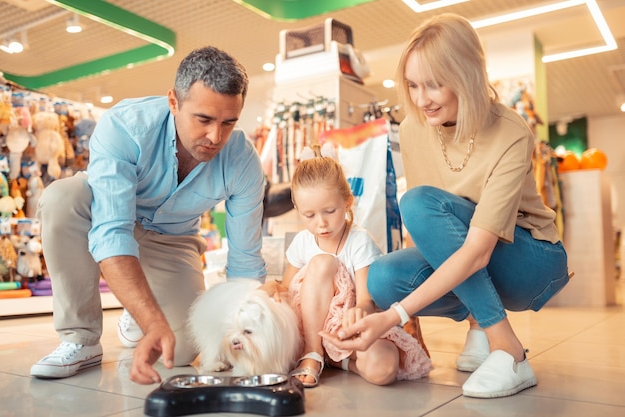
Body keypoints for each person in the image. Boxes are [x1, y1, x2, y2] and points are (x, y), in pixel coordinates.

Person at [321, 13, 570, 399]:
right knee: (383, 277)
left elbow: (476, 249)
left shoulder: (510, 131)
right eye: (413, 85)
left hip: (531, 261)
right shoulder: (414, 128)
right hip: (476, 254)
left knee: (417, 203)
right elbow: (437, 237)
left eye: (434, 85)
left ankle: (508, 349)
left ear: (466, 75)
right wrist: (389, 311)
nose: (421, 99)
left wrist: (395, 315)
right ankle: (478, 324)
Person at [30, 46, 267, 384]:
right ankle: (80, 338)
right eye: (204, 120)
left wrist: (256, 328)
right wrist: (153, 321)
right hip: (102, 214)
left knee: (181, 350)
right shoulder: (125, 125)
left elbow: (244, 263)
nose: (216, 137)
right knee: (61, 198)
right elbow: (113, 231)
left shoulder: (242, 159)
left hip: (173, 238)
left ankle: (135, 311)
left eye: (229, 123)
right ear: (174, 102)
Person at [263, 143, 431, 388]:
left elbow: (365, 300)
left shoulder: (359, 241)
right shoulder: (302, 243)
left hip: (346, 329)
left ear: (347, 202)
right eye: (309, 215)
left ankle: (336, 361)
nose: (321, 223)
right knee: (322, 263)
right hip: (309, 327)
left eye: (330, 211)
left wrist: (358, 311)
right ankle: (313, 351)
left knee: (384, 369)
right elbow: (287, 289)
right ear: (298, 210)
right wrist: (272, 287)